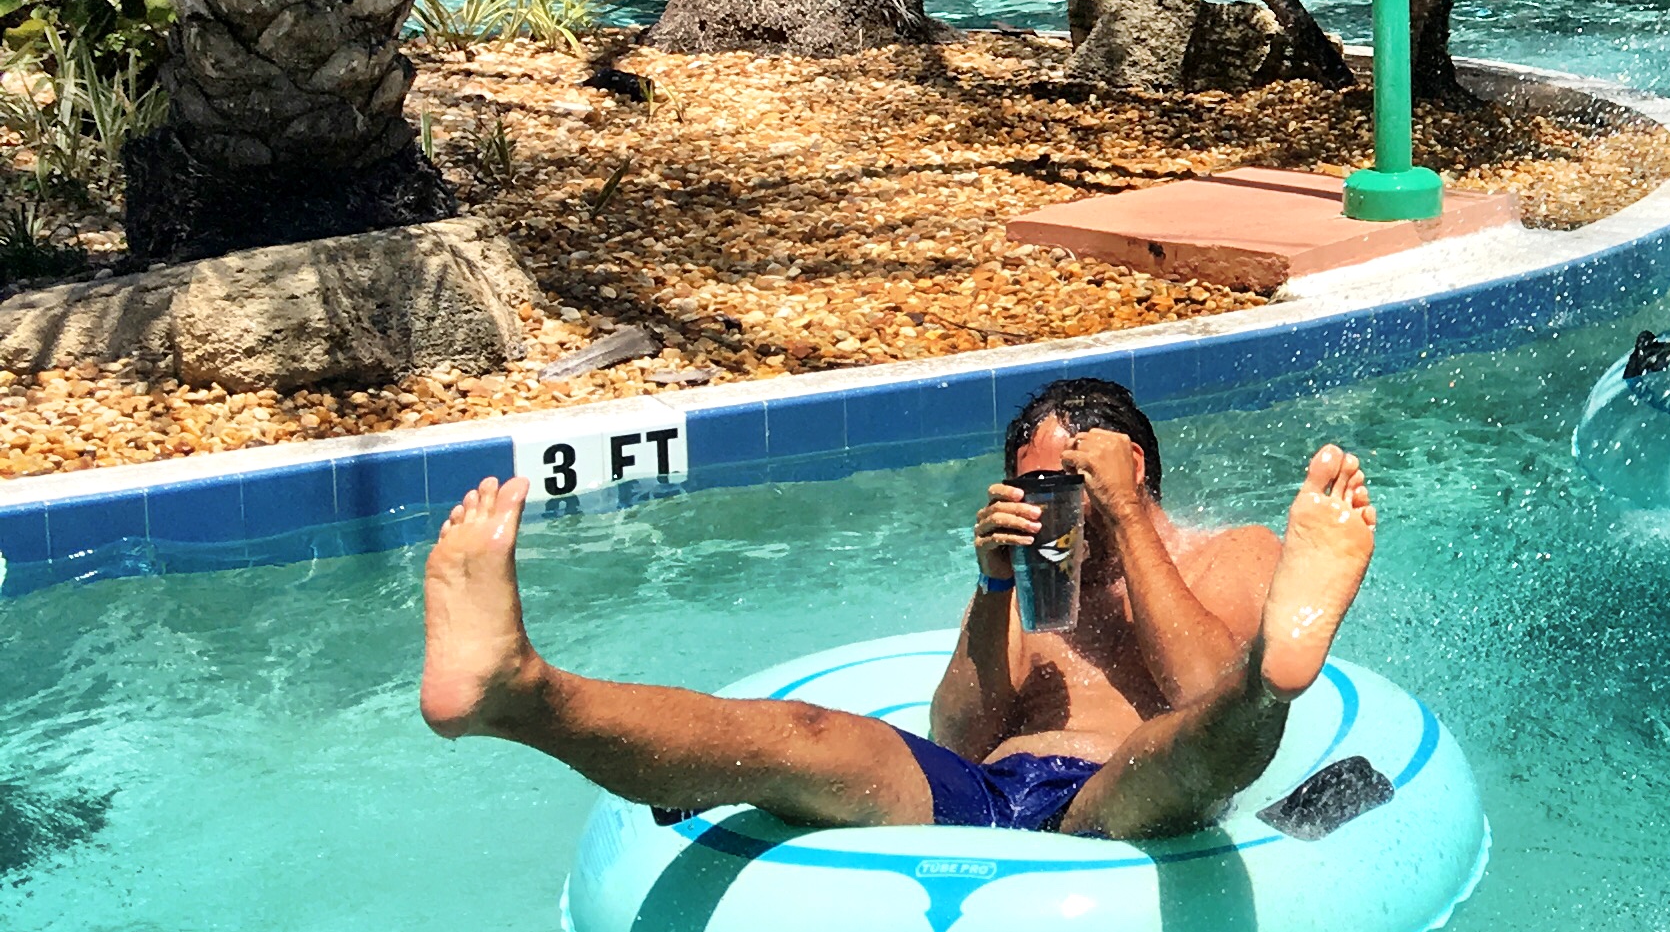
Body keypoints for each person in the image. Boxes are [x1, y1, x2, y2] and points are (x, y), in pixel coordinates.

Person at [419, 375, 1379, 840]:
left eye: (1069, 483)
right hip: (985, 797)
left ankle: (1278, 666)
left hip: (1118, 798)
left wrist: (1125, 519)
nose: (1047, 504)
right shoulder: (1032, 577)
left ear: (1136, 472)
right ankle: (520, 692)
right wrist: (994, 582)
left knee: (1174, 739)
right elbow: (957, 738)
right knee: (797, 733)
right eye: (1031, 486)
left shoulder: (1227, 555)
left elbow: (1195, 692)